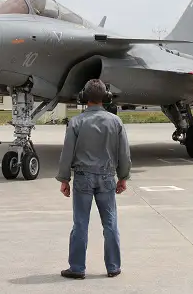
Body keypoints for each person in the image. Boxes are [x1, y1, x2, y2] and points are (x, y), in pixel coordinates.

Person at [56, 79, 132, 279]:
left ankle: (77, 268)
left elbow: (67, 153)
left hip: (82, 178)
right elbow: (124, 153)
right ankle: (113, 267)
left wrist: (64, 179)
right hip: (107, 177)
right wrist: (123, 177)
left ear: (84, 97)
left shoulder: (76, 122)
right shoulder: (116, 122)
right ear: (105, 98)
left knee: (80, 223)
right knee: (110, 223)